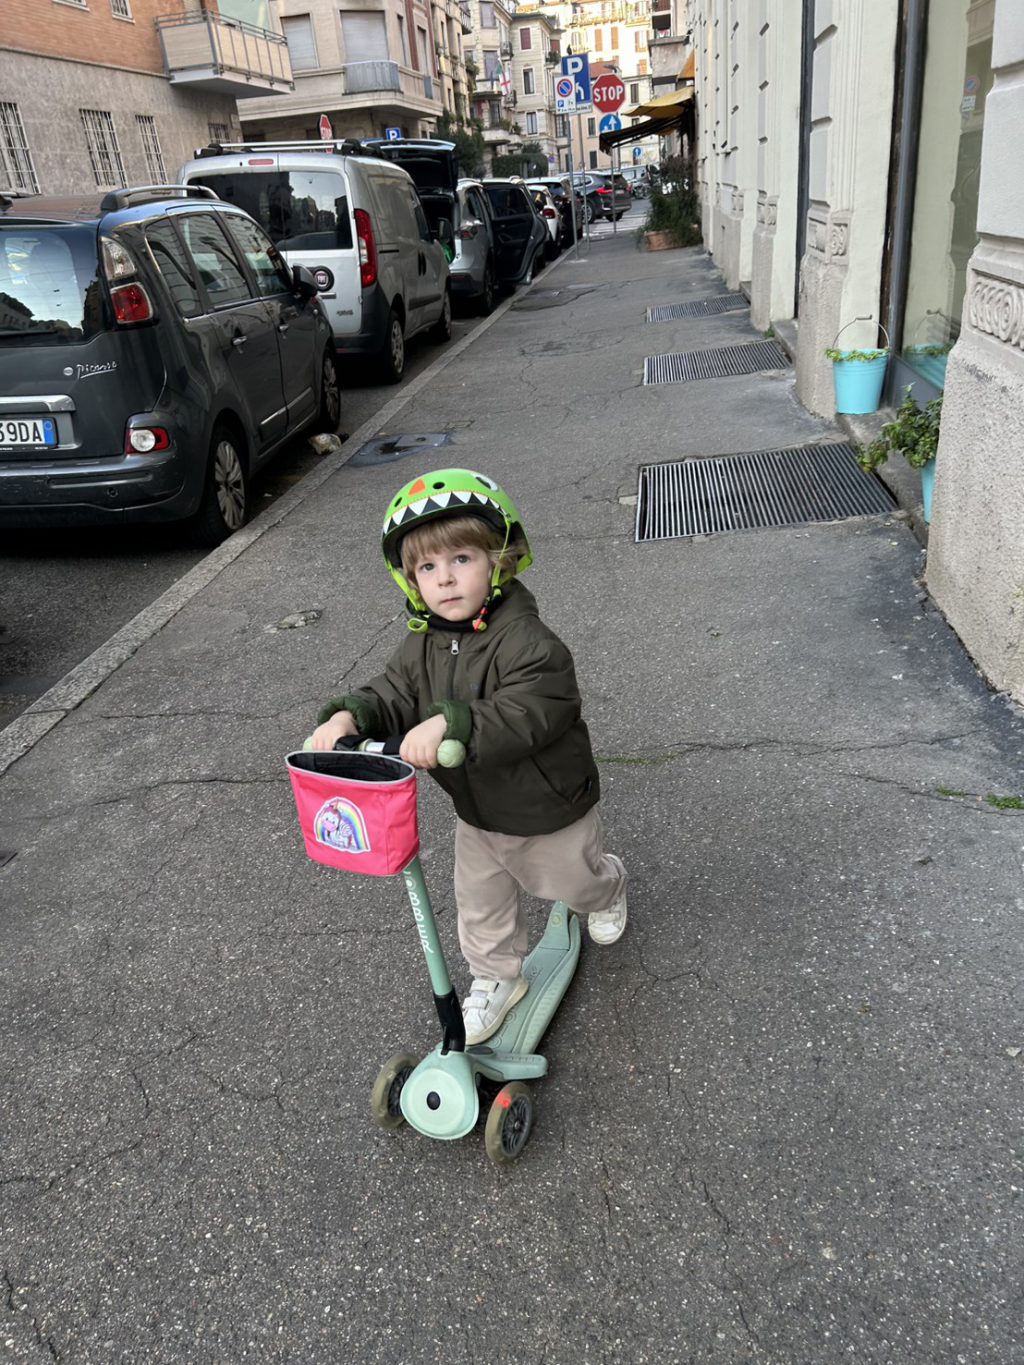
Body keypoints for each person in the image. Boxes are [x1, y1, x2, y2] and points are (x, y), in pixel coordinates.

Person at [310, 468, 627, 1044]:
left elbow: (529, 710)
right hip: (477, 812)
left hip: (546, 805)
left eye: (461, 558)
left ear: (498, 559)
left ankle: (609, 887)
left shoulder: (529, 641)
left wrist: (452, 723)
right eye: (427, 568)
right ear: (410, 580)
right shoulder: (423, 641)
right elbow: (395, 691)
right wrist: (349, 717)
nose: (446, 579)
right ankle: (497, 976)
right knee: (480, 904)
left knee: (574, 883)